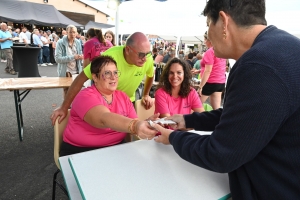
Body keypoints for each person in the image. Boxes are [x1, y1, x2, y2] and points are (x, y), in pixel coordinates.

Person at [153, 0, 300, 199]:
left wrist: (172, 138)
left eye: (208, 25)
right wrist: (188, 120)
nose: (208, 35)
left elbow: (221, 154)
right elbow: (245, 118)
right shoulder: (286, 46)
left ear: (223, 21)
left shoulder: (258, 65)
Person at [60, 55, 158, 156]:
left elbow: (134, 123)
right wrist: (135, 126)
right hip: (81, 151)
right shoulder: (85, 96)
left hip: (115, 148)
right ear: (95, 77)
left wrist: (146, 124)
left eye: (115, 72)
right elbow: (103, 119)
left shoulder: (123, 97)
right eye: (107, 73)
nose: (113, 77)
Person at [51, 32, 155, 125]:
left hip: (126, 101)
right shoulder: (110, 56)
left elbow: (150, 75)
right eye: (141, 54)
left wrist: (146, 94)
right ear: (128, 50)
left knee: (125, 134)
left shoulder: (147, 59)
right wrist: (64, 107)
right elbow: (81, 78)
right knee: (103, 131)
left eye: (148, 53)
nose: (145, 59)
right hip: (104, 101)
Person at [197, 31, 226, 109]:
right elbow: (217, 67)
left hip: (210, 82)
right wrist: (199, 71)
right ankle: (218, 121)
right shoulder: (221, 51)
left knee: (194, 106)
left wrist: (200, 87)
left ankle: (190, 120)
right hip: (220, 82)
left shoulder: (209, 52)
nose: (204, 42)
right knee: (216, 110)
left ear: (209, 40)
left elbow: (208, 71)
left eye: (205, 39)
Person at [55, 24, 83, 98]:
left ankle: (75, 108)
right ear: (66, 32)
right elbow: (58, 59)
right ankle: (66, 108)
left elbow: (79, 54)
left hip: (76, 70)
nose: (72, 34)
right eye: (70, 32)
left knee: (77, 90)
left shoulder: (78, 42)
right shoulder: (60, 42)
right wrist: (73, 57)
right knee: (67, 91)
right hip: (66, 71)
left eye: (74, 32)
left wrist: (81, 57)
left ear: (77, 33)